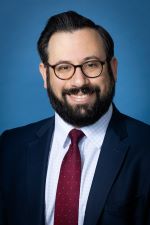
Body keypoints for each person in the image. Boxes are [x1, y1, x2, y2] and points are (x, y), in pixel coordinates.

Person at [0, 10, 150, 225]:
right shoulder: (9, 147)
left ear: (113, 69)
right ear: (45, 75)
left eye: (91, 65)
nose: (79, 82)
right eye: (63, 68)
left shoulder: (146, 148)